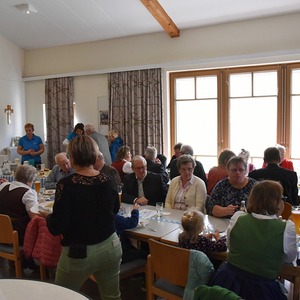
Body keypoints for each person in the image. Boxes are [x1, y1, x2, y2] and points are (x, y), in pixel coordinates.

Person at [46, 135, 122, 298]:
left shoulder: (66, 185)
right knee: (112, 296)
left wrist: (48, 218)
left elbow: (57, 226)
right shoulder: (108, 180)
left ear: (72, 158)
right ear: (94, 155)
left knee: (61, 296)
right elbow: (115, 209)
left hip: (79, 251)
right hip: (110, 245)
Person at [210, 180, 297, 300]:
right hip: (261, 289)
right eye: (282, 198)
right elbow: (289, 258)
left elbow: (230, 245)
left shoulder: (238, 217)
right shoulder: (286, 227)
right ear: (276, 202)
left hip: (228, 281)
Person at [0, 165, 38, 245]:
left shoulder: (3, 186)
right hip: (18, 235)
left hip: (1, 232)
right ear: (30, 180)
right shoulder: (28, 193)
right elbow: (35, 218)